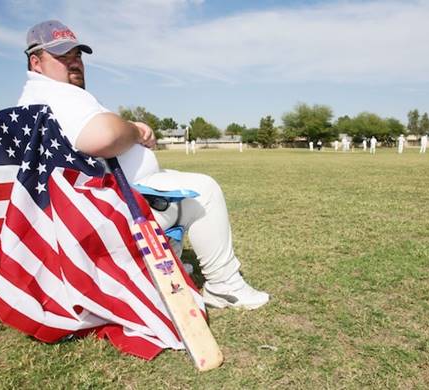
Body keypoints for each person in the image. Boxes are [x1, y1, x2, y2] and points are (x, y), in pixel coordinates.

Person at [18, 20, 268, 310]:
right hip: (110, 210)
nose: (74, 63)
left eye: (77, 55)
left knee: (173, 180)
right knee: (203, 190)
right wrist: (134, 131)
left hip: (90, 207)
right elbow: (103, 137)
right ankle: (224, 285)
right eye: (62, 56)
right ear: (36, 62)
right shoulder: (58, 94)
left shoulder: (33, 98)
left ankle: (159, 266)